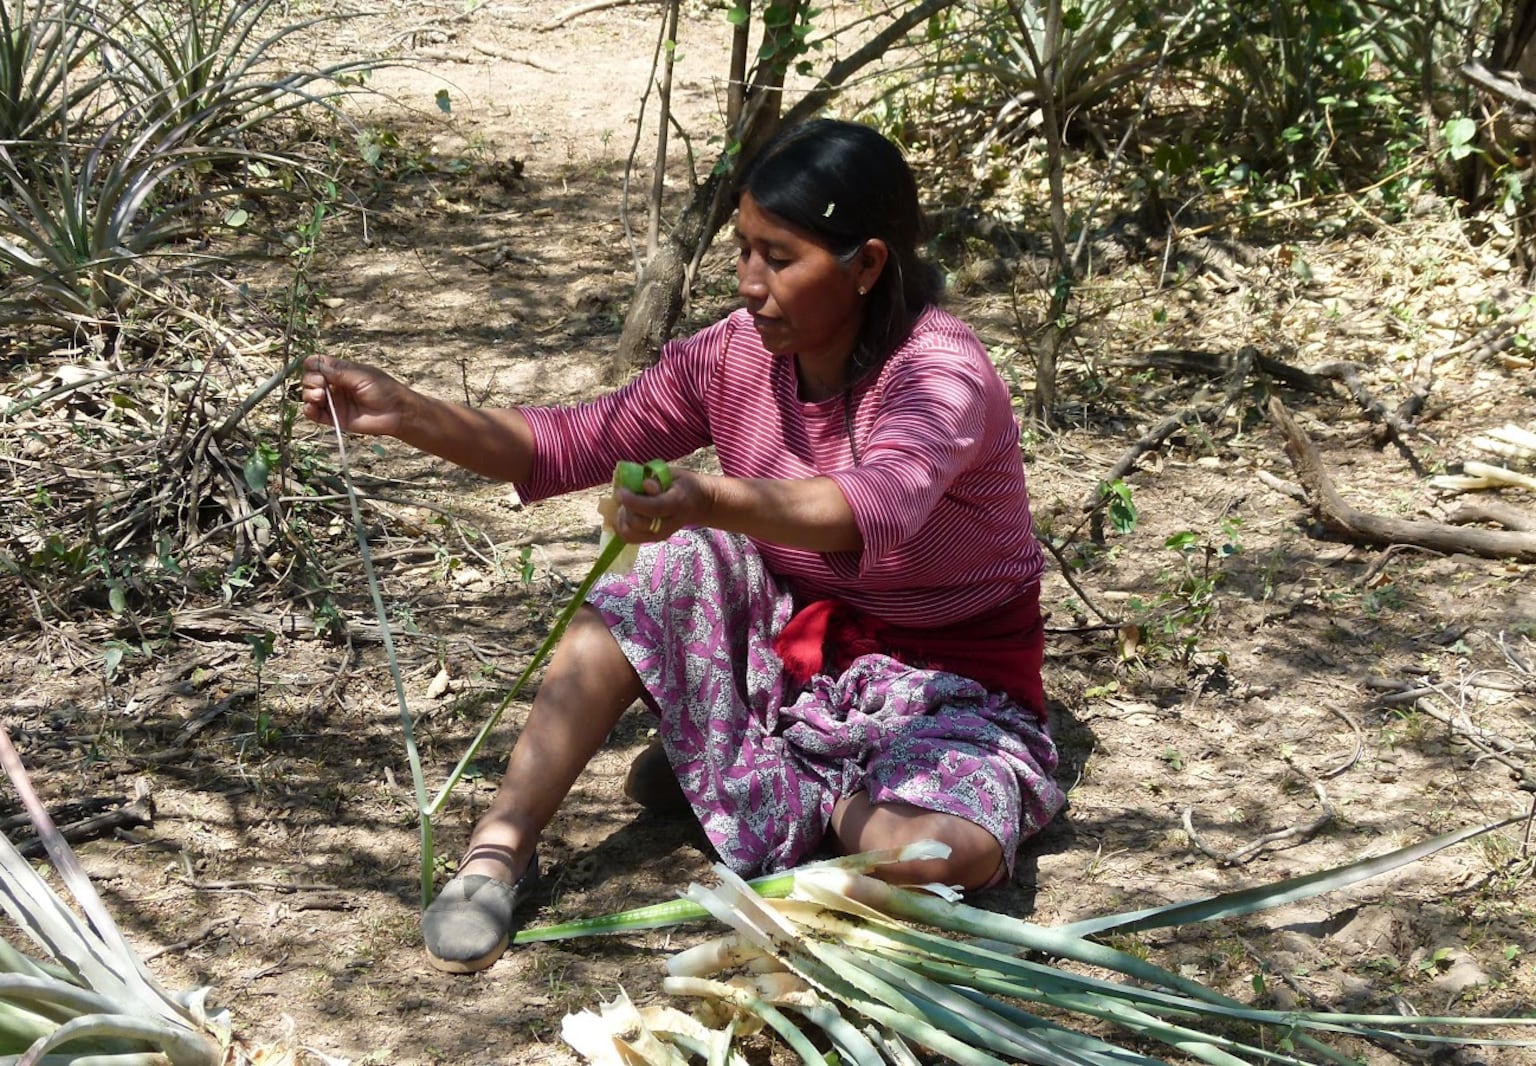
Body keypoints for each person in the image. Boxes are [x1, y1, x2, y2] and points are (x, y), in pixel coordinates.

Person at [299, 118, 1066, 974]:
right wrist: (408, 414)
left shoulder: (937, 372)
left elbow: (872, 504)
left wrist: (705, 496)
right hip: (793, 650)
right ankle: (500, 847)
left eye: (779, 258)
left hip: (953, 692)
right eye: (743, 249)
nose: (748, 283)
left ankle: (754, 771)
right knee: (664, 565)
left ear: (868, 265)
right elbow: (570, 441)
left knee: (930, 861)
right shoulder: (734, 355)